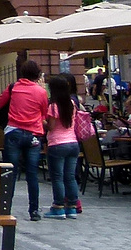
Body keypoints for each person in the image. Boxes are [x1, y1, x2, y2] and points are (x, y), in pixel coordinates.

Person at [0, 60, 49, 221]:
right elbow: (44, 113)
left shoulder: (13, 88)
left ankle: (5, 208)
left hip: (14, 132)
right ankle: (34, 210)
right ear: (37, 75)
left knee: (10, 171)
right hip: (33, 134)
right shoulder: (41, 92)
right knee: (32, 174)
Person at [43, 75, 80, 220]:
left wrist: (42, 122)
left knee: (57, 177)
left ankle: (58, 207)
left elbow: (51, 127)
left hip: (57, 144)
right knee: (70, 176)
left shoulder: (53, 106)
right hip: (73, 143)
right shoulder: (72, 103)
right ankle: (72, 206)